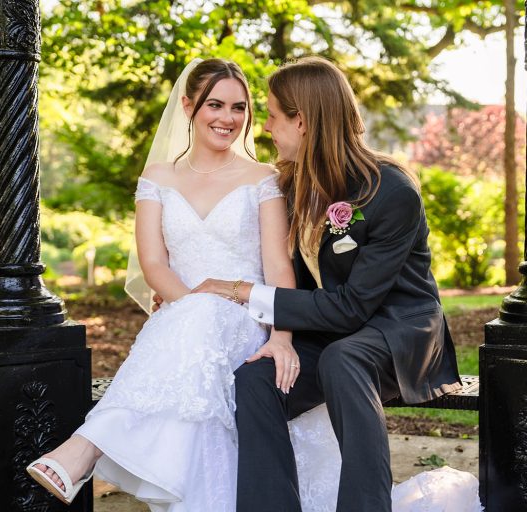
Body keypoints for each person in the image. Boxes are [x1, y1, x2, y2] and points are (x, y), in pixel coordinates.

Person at [192, 56, 464, 512]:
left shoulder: (390, 191)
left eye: (274, 117)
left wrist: (239, 290)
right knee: (256, 379)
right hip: (331, 330)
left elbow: (353, 306)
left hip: (397, 331)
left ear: (302, 121)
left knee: (344, 358)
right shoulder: (292, 184)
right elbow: (279, 267)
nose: (267, 129)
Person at [26, 58, 299, 511]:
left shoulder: (262, 179)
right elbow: (154, 264)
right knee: (197, 322)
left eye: (239, 108)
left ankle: (87, 447)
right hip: (183, 315)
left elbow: (278, 269)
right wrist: (191, 305)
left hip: (247, 318)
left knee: (203, 320)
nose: (228, 119)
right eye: (215, 105)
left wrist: (283, 336)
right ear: (189, 106)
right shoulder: (157, 179)